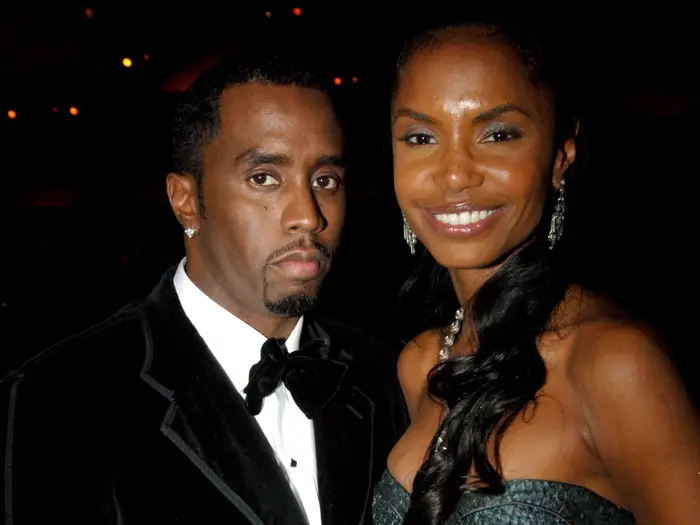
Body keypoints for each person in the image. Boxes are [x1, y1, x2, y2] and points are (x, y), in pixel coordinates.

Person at [1, 50, 407, 525]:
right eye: (264, 178)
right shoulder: (56, 400)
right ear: (186, 202)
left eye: (324, 179)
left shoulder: (383, 375)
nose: (308, 215)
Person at [372, 20, 700, 525]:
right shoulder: (420, 364)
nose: (455, 172)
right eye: (420, 137)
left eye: (498, 134)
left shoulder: (613, 363)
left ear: (559, 156)